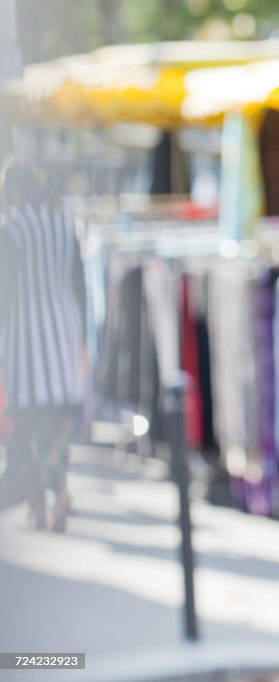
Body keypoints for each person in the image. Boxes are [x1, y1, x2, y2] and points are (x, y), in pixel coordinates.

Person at [0, 158, 86, 532]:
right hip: (62, 330)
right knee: (56, 424)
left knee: (27, 425)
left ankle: (37, 504)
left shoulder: (12, 228)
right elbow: (79, 286)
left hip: (24, 335)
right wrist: (80, 338)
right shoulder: (64, 225)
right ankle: (60, 491)